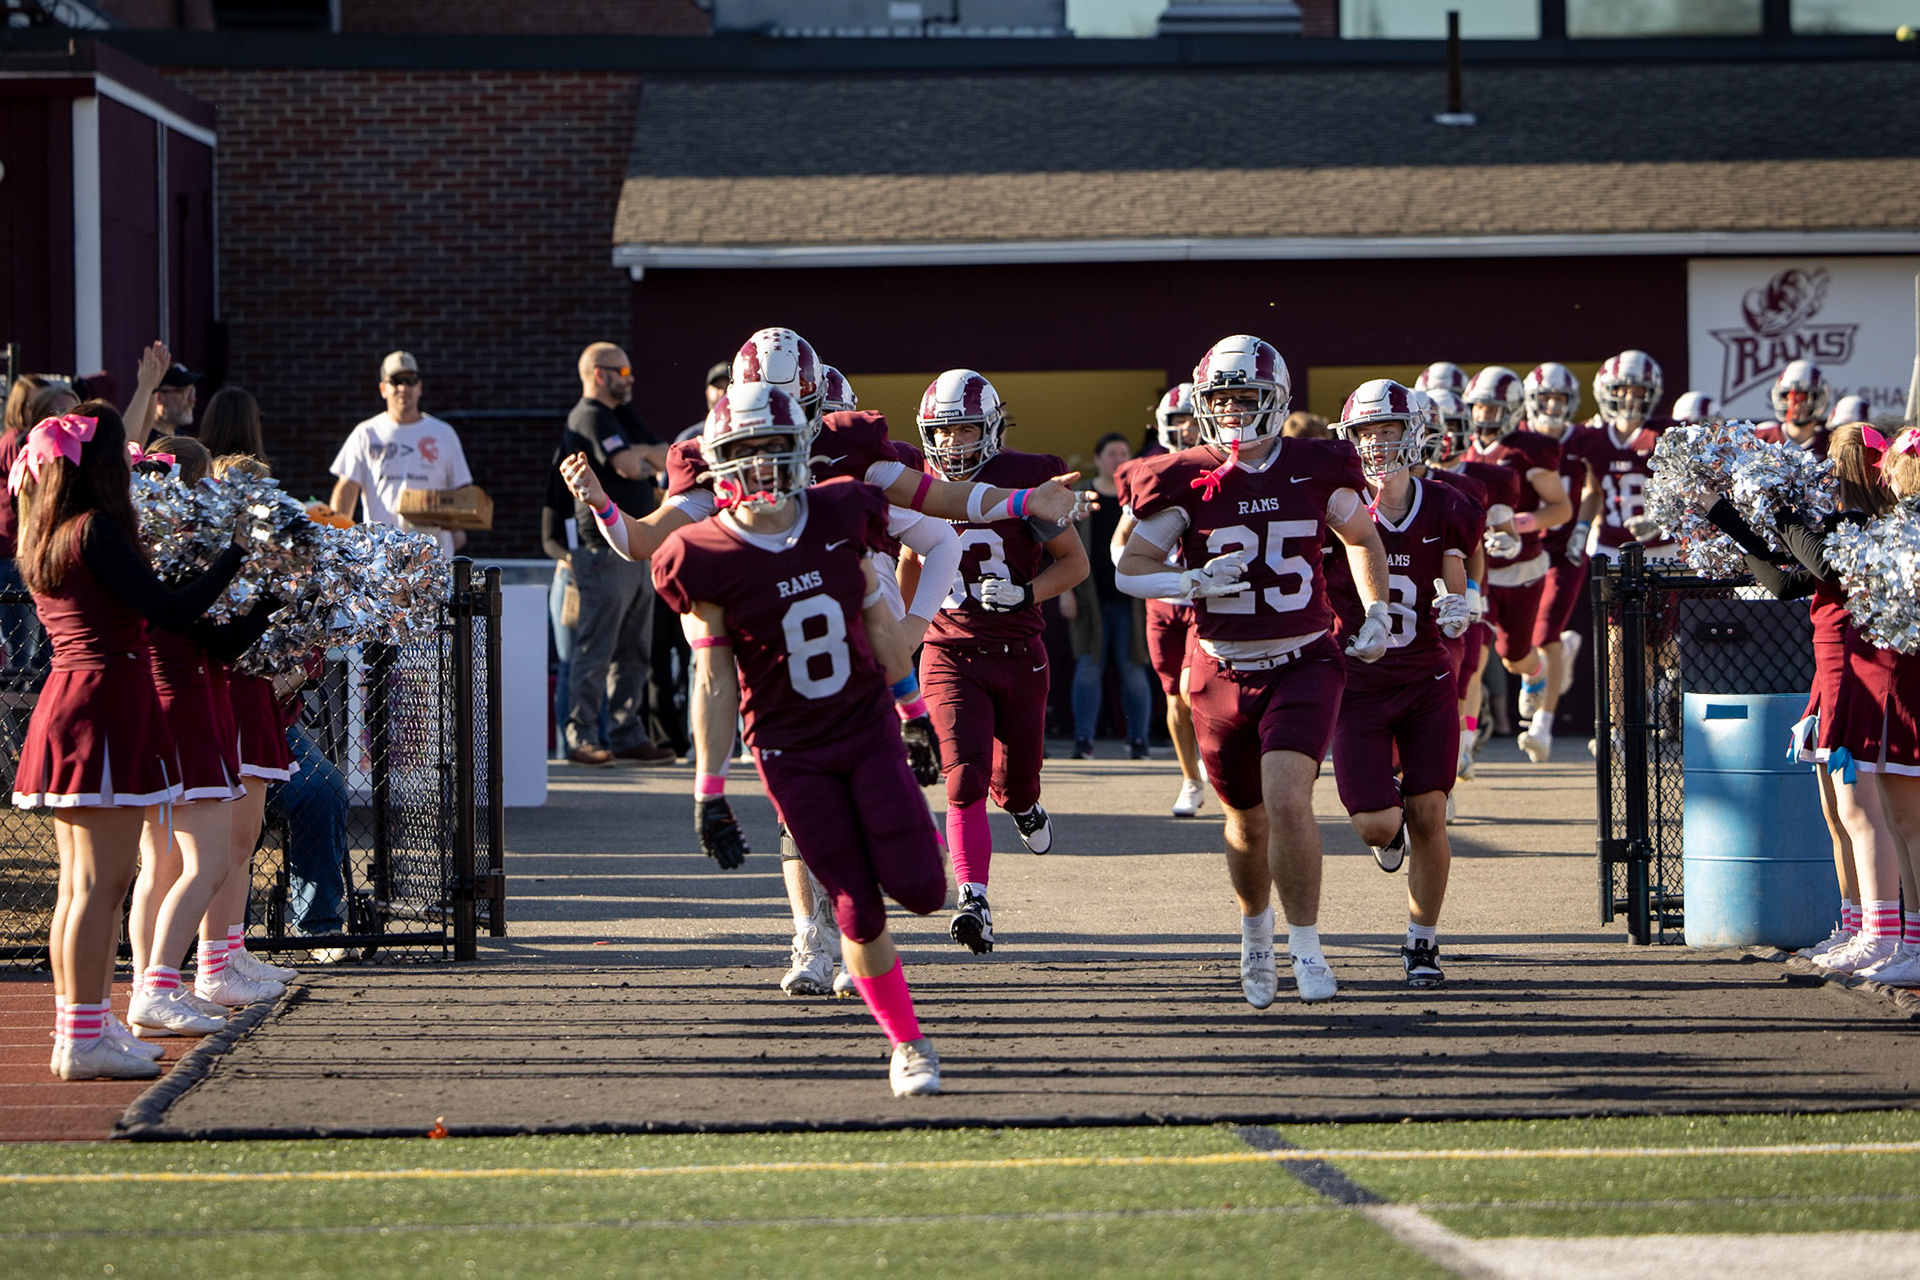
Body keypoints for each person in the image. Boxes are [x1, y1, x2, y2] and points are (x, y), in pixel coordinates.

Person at [644, 382, 947, 1097]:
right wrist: (708, 791)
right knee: (854, 903)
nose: (758, 468)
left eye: (772, 450)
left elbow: (879, 624)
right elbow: (714, 683)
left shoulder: (844, 510)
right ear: (720, 464)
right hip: (789, 752)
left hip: (867, 725)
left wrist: (913, 712)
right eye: (743, 454)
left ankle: (886, 887)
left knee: (924, 891)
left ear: (800, 451)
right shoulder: (702, 553)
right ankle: (908, 1044)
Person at [1117, 335, 1392, 1008]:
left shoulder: (1317, 464)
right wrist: (1188, 578)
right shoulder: (1185, 474)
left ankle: (1306, 945)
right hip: (1221, 668)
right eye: (1223, 399)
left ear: (1278, 402)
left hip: (1303, 659)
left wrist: (1378, 610)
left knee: (1289, 800)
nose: (1236, 412)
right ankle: (1254, 932)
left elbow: (1362, 538)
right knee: (1245, 821)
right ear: (1204, 405)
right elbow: (1129, 568)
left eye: (1249, 398)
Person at [13, 403, 246, 1079]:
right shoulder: (95, 532)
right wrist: (235, 551)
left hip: (71, 700)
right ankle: (83, 1037)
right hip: (104, 703)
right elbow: (170, 611)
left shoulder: (47, 532)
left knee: (81, 886)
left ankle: (81, 1026)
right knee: (100, 885)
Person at [1704, 423, 1903, 977]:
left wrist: (1783, 511)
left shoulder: (1873, 526)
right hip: (1830, 674)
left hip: (1860, 674)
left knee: (1863, 813)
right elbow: (1785, 582)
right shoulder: (1839, 524)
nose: (1827, 471)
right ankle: (1855, 923)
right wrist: (1730, 519)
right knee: (1837, 813)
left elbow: (1823, 565)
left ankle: (1882, 934)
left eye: (1836, 461)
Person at [908, 369, 1089, 954]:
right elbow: (913, 562)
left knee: (1013, 785)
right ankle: (974, 900)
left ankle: (1024, 805)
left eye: (964, 432)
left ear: (990, 429)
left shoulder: (1026, 477)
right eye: (943, 433)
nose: (953, 445)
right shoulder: (917, 483)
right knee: (962, 779)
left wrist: (1026, 592)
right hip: (949, 652)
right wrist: (907, 628)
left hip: (1018, 650)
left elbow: (1075, 564)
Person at [126, 439, 283, 1039]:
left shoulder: (135, 543)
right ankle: (159, 986)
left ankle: (150, 984)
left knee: (155, 866)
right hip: (187, 707)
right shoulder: (180, 548)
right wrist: (268, 592)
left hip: (159, 704)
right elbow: (220, 642)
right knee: (205, 862)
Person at [1326, 381, 1480, 984]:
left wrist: (1458, 603)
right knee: (1377, 823)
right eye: (1367, 431)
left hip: (1424, 677)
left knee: (1430, 813)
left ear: (1414, 434)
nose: (1378, 442)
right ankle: (1387, 836)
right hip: (1356, 682)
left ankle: (1422, 941)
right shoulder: (1335, 504)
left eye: (1389, 430)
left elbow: (1452, 572)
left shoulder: (1446, 502)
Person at [560, 343, 674, 767]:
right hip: (601, 551)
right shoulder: (589, 415)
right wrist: (642, 458)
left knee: (634, 651)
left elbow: (663, 457)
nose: (630, 377)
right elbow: (629, 466)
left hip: (637, 545)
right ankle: (582, 736)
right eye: (622, 369)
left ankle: (628, 734)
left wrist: (643, 457)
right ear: (599, 374)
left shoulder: (623, 414)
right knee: (596, 649)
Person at [1463, 366, 1572, 763]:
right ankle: (1466, 744)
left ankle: (1537, 673)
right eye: (1478, 409)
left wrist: (1520, 525)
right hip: (1480, 571)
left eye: (1493, 410)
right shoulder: (1462, 445)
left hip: (1522, 568)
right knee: (1475, 659)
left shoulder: (1529, 450)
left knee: (1515, 657)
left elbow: (1561, 508)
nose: (1483, 418)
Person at [1114, 384, 1207, 816]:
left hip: (1199, 594)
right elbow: (1122, 538)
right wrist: (1131, 567)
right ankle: (1190, 778)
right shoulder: (1145, 470)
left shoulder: (1214, 467)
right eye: (1178, 420)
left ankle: (1211, 756)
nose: (1185, 428)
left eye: (1192, 418)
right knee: (1173, 696)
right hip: (1160, 599)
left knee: (1193, 689)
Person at [327, 351, 474, 559]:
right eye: (396, 381)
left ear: (420, 387)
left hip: (432, 559)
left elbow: (463, 494)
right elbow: (347, 488)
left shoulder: (443, 433)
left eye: (410, 380)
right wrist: (337, 543)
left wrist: (451, 521)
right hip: (380, 560)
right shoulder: (367, 433)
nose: (404, 388)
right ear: (383, 389)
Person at [1066, 431, 1149, 760]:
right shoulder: (1081, 494)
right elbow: (1063, 546)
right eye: (1112, 453)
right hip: (1090, 599)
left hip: (1132, 600)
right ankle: (1083, 741)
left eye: (1124, 453)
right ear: (1098, 458)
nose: (1118, 459)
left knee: (1133, 669)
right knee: (1088, 667)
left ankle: (1139, 741)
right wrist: (1067, 593)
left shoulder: (1139, 496)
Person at [1522, 362, 1593, 728]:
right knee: (1514, 633)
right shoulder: (1516, 437)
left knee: (1544, 630)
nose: (1552, 405)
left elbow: (1594, 488)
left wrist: (1583, 527)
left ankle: (1543, 708)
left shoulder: (1582, 439)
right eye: (1545, 398)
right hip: (1523, 546)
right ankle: (1549, 662)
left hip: (1564, 547)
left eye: (1559, 398)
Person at [1756, 360, 1833, 458]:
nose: (1795, 404)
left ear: (1819, 398)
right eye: (1788, 397)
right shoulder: (1762, 438)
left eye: (1804, 398)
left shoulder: (1831, 443)